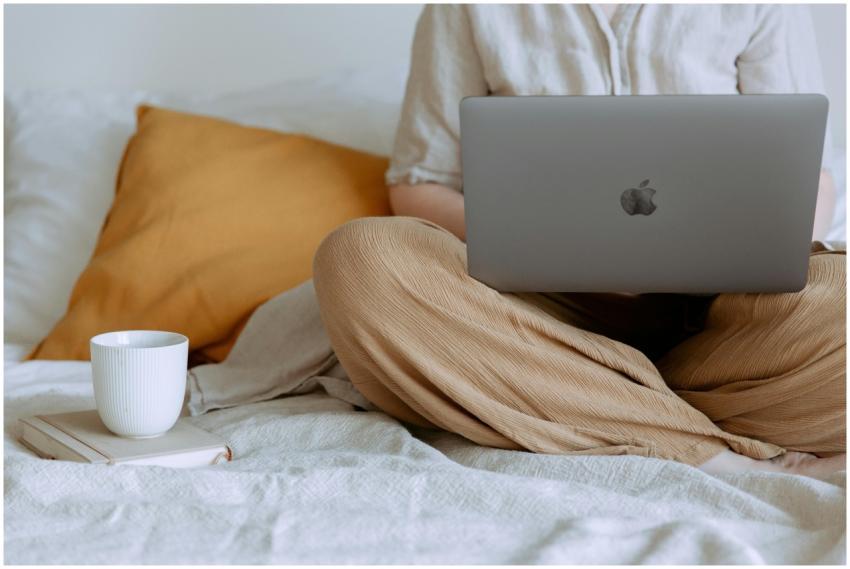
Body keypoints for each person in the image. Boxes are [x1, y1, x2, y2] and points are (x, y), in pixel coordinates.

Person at [313, 4, 846, 478]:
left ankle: (570, 399)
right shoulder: (464, 9)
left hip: (726, 325)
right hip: (534, 313)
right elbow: (419, 182)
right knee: (362, 258)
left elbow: (808, 175)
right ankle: (697, 444)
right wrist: (537, 240)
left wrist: (759, 250)